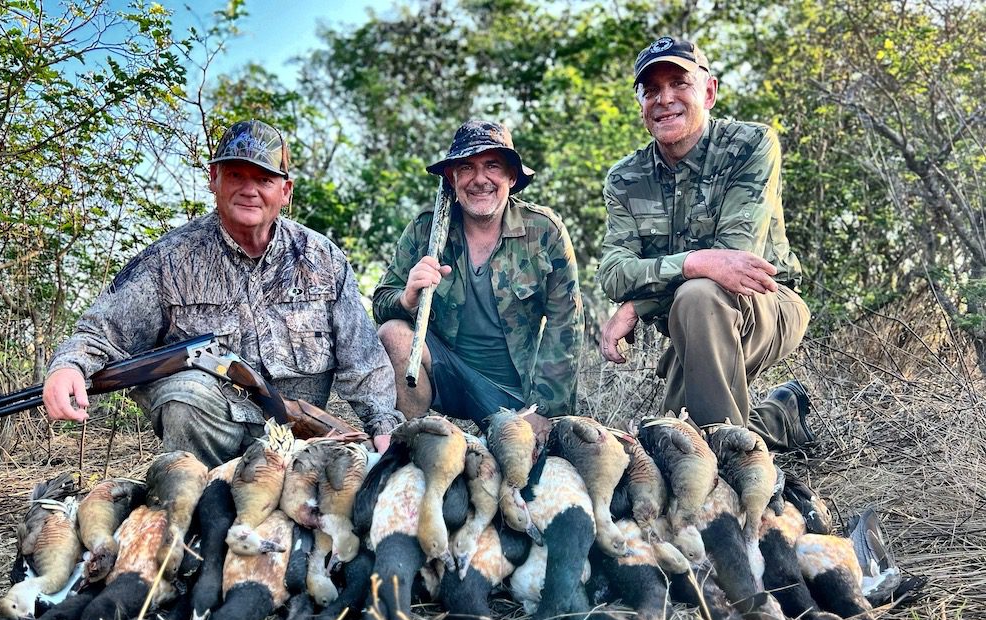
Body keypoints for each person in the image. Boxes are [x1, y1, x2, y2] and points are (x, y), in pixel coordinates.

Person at [43, 119, 401, 467]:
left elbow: (364, 361)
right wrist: (68, 367)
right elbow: (100, 331)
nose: (249, 189)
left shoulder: (322, 258)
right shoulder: (168, 260)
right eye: (235, 175)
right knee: (186, 398)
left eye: (263, 179)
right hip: (212, 440)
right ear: (214, 180)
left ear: (285, 192)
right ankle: (195, 512)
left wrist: (383, 425)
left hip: (302, 443)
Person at [597, 37, 815, 451]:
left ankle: (733, 478)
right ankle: (778, 418)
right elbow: (612, 273)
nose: (665, 99)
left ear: (709, 92)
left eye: (679, 83)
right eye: (651, 90)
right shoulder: (625, 178)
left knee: (699, 295)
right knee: (673, 439)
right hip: (688, 326)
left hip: (767, 304)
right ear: (640, 103)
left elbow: (733, 261)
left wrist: (639, 304)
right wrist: (694, 263)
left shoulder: (751, 145)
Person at [373, 119, 583, 442]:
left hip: (514, 394)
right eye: (467, 167)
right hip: (448, 376)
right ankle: (412, 443)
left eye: (492, 166)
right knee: (393, 335)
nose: (479, 179)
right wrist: (407, 299)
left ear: (511, 177)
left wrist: (545, 409)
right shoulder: (425, 230)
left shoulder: (545, 232)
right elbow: (381, 301)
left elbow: (565, 325)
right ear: (452, 178)